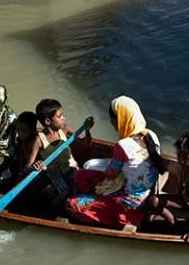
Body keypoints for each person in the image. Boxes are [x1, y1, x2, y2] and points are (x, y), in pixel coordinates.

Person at [65, 96, 165, 229]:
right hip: (146, 194)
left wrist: (95, 184)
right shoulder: (151, 135)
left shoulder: (123, 145)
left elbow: (110, 175)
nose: (112, 123)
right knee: (80, 176)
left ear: (121, 119)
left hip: (130, 204)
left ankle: (124, 219)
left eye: (113, 119)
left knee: (71, 204)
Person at [34, 98, 94, 209]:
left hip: (70, 167)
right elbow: (29, 165)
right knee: (66, 192)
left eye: (63, 115)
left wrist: (87, 129)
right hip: (54, 172)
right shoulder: (39, 140)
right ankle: (50, 209)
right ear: (47, 121)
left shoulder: (65, 129)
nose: (63, 118)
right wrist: (36, 165)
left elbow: (86, 143)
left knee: (86, 185)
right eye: (59, 116)